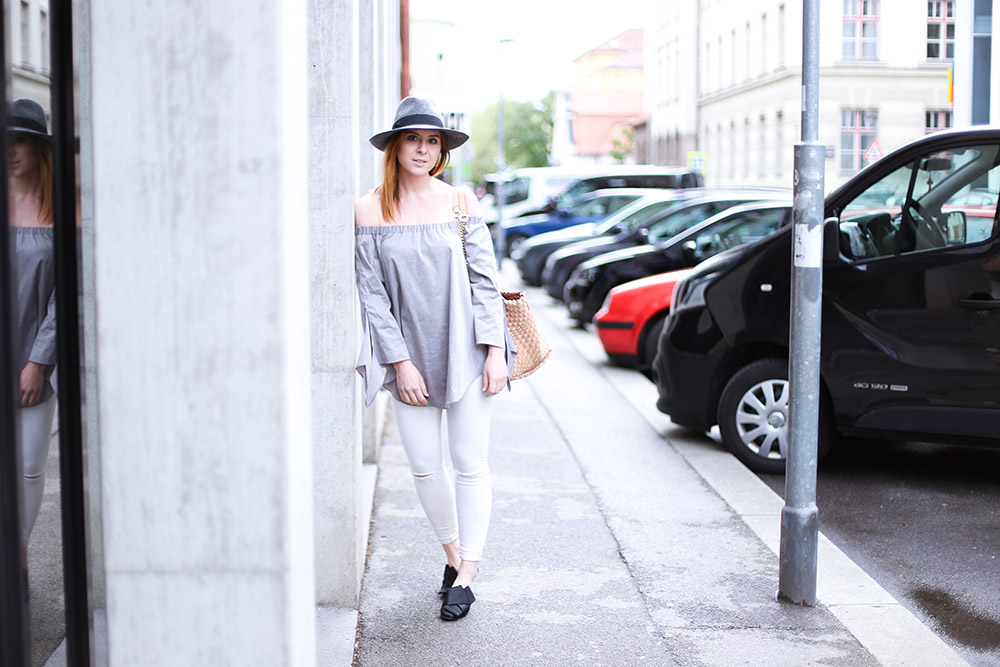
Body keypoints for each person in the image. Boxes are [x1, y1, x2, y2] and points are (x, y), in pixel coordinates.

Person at [354, 96, 515, 621]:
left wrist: (494, 351)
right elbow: (372, 295)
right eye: (413, 139)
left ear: (441, 150)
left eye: (432, 141)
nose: (423, 149)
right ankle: (451, 555)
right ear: (395, 146)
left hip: (467, 352)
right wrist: (399, 363)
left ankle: (468, 573)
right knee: (426, 468)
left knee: (471, 465)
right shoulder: (367, 209)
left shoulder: (461, 202)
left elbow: (485, 280)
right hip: (409, 360)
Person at [8, 98, 57, 544]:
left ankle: (18, 556)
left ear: (38, 148)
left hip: (32, 365)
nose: (11, 151)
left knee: (27, 470)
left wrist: (38, 362)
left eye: (20, 141)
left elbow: (69, 293)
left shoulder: (59, 212)